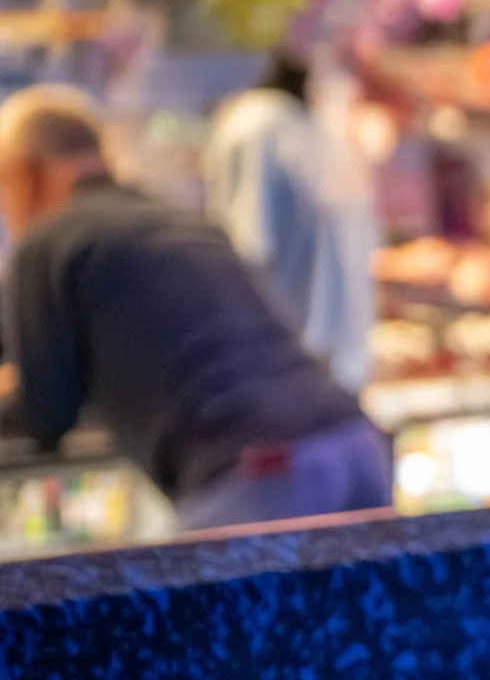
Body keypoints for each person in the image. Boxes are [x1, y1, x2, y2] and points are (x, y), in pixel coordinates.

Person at [0, 83, 391, 530]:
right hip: (354, 442)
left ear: (25, 173)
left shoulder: (50, 243)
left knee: (212, 580)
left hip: (262, 469)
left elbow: (44, 414)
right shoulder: (172, 219)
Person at [203, 49, 378, 391]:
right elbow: (245, 247)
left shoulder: (312, 128)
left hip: (330, 370)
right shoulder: (257, 128)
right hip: (281, 369)